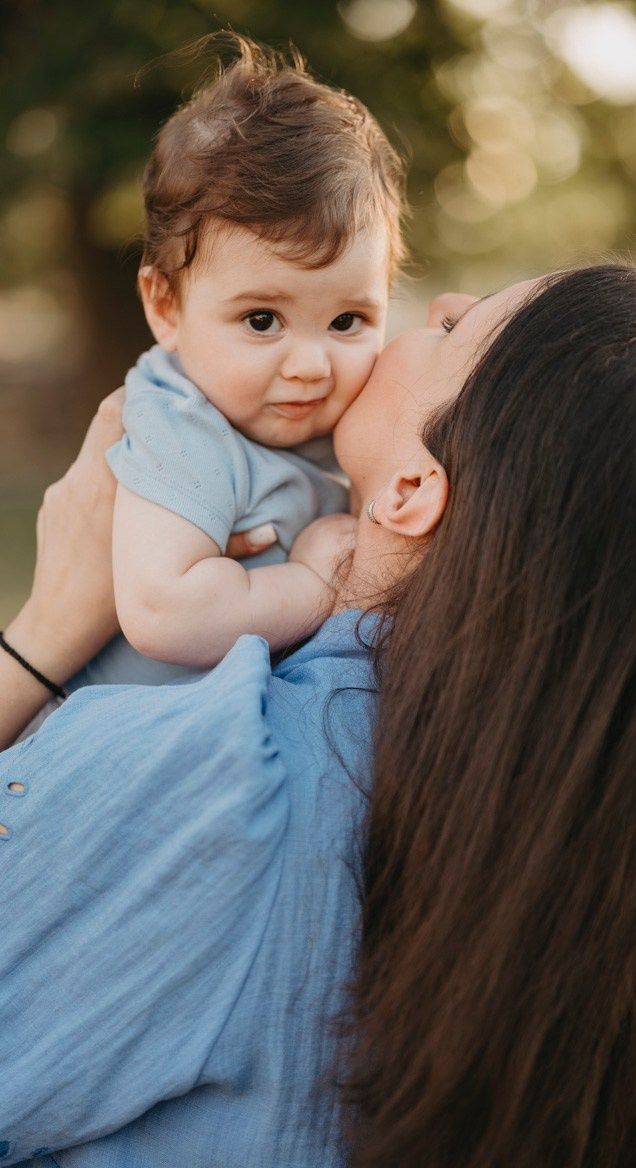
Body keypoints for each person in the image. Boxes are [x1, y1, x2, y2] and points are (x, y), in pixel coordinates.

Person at [1, 264, 636, 1168]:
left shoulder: (229, 779)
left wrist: (44, 634)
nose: (435, 307)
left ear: (414, 488)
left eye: (455, 332)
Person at [73, 34, 405, 691]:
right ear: (166, 307)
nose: (310, 366)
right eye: (261, 320)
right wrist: (314, 584)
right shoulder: (181, 420)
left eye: (347, 321)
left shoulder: (341, 424)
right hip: (121, 737)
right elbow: (165, 611)